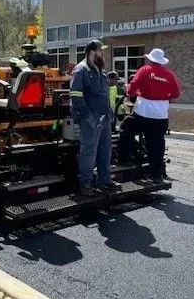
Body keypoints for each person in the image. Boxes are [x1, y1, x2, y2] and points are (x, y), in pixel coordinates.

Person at [118, 48, 180, 180]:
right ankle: (156, 174)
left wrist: (128, 91)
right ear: (161, 61)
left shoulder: (145, 70)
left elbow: (133, 88)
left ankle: (125, 159)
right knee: (157, 144)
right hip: (161, 116)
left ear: (150, 59)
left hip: (143, 113)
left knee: (125, 128)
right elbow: (176, 94)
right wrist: (163, 96)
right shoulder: (169, 74)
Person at [70, 40, 121, 196]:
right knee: (89, 152)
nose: (102, 54)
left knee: (105, 149)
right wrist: (88, 117)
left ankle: (104, 181)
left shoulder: (100, 69)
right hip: (90, 119)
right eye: (101, 51)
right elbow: (76, 96)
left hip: (104, 117)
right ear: (92, 52)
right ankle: (85, 184)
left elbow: (104, 93)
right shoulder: (80, 70)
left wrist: (110, 112)